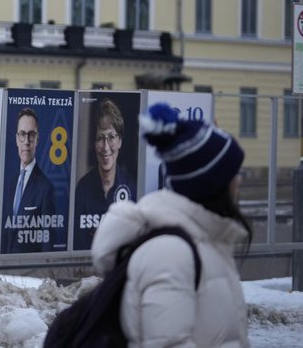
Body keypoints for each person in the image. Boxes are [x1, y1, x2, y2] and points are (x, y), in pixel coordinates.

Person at [91, 102, 251, 346]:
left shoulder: (205, 242)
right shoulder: (171, 255)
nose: (238, 180)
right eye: (233, 172)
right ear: (211, 183)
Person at [72, 98, 136, 250]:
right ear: (94, 144)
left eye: (112, 137)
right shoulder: (83, 189)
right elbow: (77, 246)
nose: (106, 147)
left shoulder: (131, 187)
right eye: (100, 138)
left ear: (120, 141)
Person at [3, 107, 56, 253]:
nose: (26, 141)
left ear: (37, 139)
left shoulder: (46, 188)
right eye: (22, 134)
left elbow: (47, 243)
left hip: (30, 271)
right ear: (16, 140)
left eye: (31, 135)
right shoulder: (9, 184)